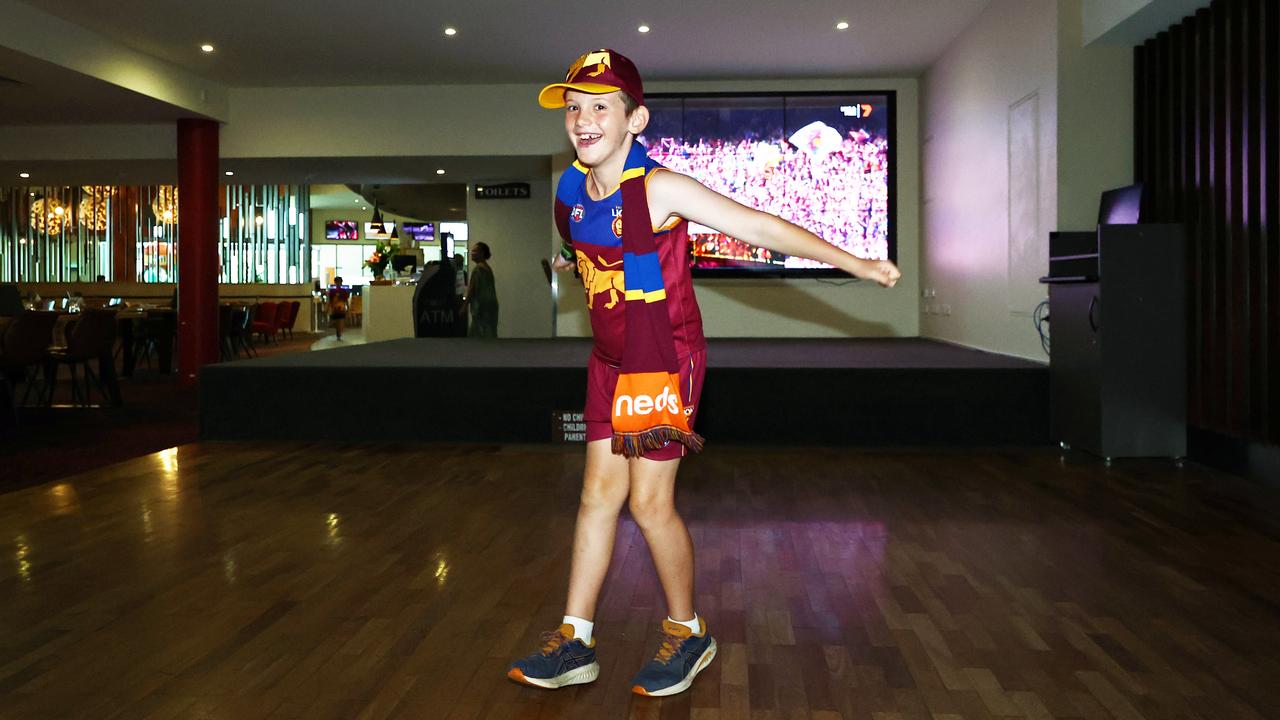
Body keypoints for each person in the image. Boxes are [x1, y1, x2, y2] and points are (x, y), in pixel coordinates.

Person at [506, 49, 901, 697]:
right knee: (597, 497)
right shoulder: (571, 187)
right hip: (609, 361)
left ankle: (687, 632)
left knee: (647, 501)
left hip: (662, 361)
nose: (583, 119)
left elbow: (758, 225)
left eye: (600, 107)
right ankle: (575, 638)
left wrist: (855, 262)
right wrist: (571, 268)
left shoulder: (660, 188)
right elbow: (584, 250)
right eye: (574, 108)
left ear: (636, 120)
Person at [462, 242, 498, 338]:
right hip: (491, 306)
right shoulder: (487, 268)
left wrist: (464, 306)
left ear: (482, 253)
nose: (472, 253)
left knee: (477, 334)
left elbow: (471, 289)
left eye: (475, 251)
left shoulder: (478, 270)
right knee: (489, 332)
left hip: (481, 307)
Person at [327, 276, 350, 340]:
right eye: (338, 282)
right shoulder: (332, 291)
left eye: (340, 282)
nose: (339, 283)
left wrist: (348, 309)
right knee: (336, 321)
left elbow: (346, 301)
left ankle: (339, 333)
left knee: (341, 321)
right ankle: (338, 332)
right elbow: (330, 301)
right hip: (335, 309)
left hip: (341, 308)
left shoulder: (343, 291)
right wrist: (328, 308)